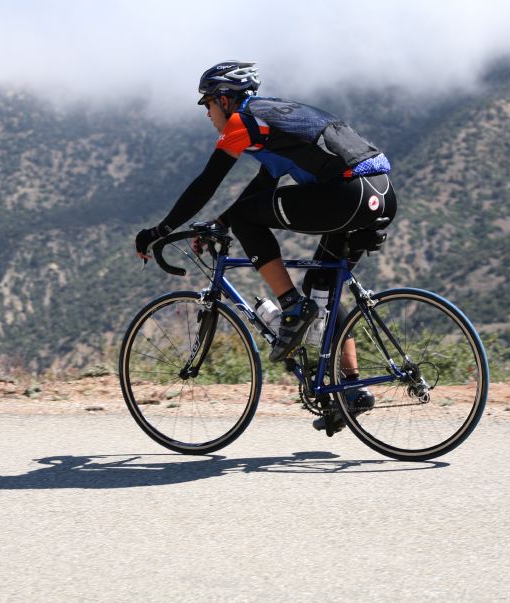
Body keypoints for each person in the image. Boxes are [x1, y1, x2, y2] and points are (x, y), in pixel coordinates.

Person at [135, 60, 397, 431]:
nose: (207, 113)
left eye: (207, 103)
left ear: (224, 100)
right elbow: (263, 184)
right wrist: (220, 223)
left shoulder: (243, 122)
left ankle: (290, 309)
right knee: (324, 286)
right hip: (381, 193)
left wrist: (159, 230)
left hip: (348, 194)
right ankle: (351, 390)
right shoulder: (274, 121)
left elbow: (206, 183)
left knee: (249, 221)